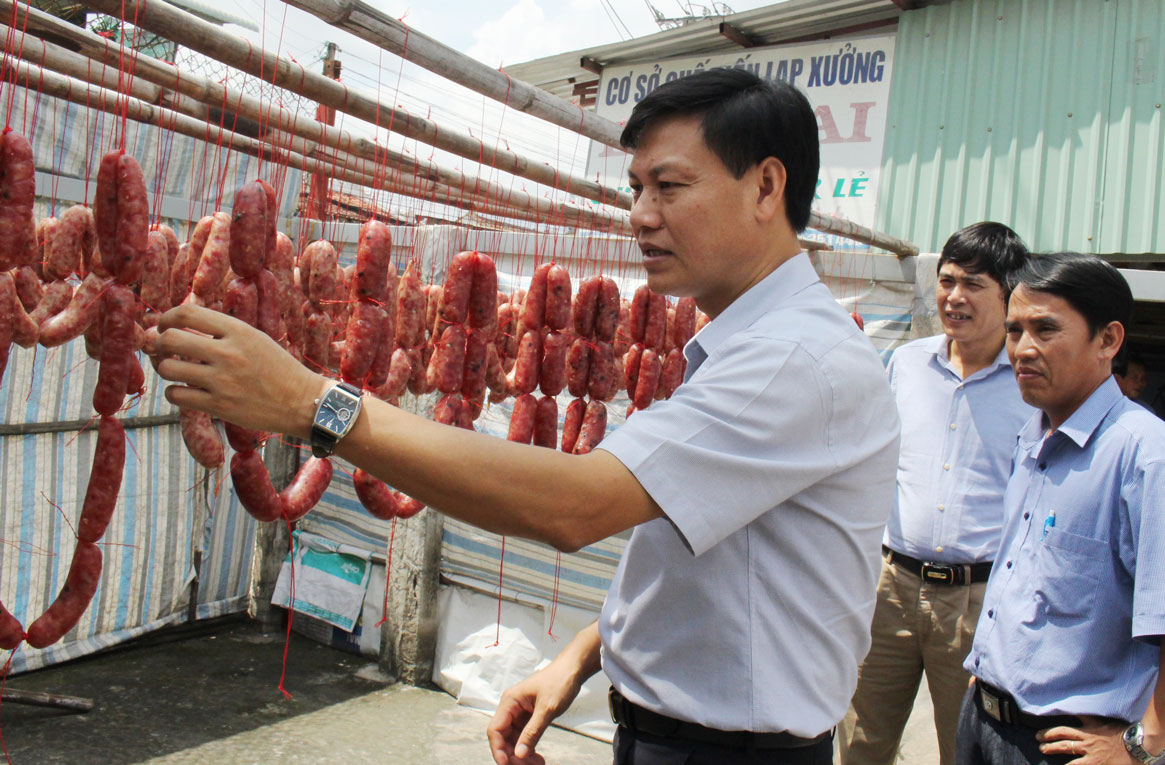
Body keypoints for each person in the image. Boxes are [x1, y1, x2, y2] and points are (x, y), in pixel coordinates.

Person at [153, 68, 900, 765]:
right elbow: (716, 570)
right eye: (635, 187)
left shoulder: (792, 359)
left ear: (766, 185)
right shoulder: (754, 345)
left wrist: (311, 402)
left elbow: (573, 506)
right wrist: (579, 655)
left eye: (668, 186)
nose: (640, 215)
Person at [956, 252, 1164, 765]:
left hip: (1062, 745)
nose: (1022, 350)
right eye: (1015, 330)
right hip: (982, 718)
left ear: (1108, 341)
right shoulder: (1033, 437)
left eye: (1045, 330)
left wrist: (1144, 745)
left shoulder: (1144, 454)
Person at [839, 222, 1032, 765]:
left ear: (1008, 294)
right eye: (947, 280)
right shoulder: (906, 363)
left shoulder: (1029, 383)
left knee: (966, 747)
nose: (954, 296)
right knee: (859, 741)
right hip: (890, 588)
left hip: (978, 600)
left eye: (973, 284)